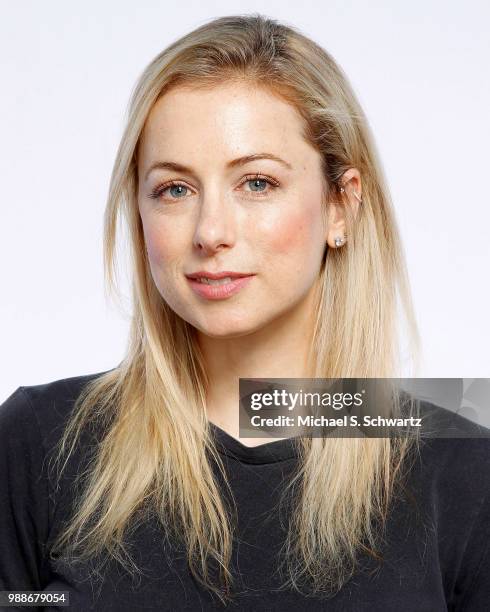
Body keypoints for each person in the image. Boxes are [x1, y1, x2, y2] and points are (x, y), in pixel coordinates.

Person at [1, 13, 489, 611]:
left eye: (256, 183)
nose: (210, 231)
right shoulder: (38, 443)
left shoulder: (463, 470)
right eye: (174, 189)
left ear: (341, 206)